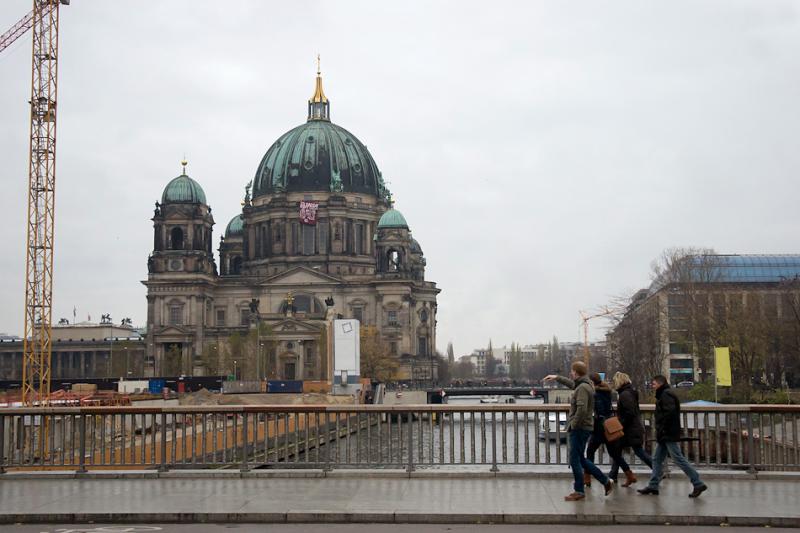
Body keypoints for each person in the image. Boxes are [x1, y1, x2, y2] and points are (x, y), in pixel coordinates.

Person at [544, 362, 613, 501]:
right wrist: (557, 377)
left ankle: (579, 490)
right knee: (581, 459)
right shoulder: (585, 384)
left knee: (575, 460)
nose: (571, 373)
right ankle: (605, 481)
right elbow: (572, 384)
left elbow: (581, 410)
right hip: (584, 427)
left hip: (580, 428)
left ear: (576, 372)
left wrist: (573, 425)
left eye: (572, 371)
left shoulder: (582, 388)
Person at [638, 375, 708, 498]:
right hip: (666, 433)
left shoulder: (665, 395)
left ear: (660, 383)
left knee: (677, 458)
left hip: (668, 433)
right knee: (656, 459)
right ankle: (653, 485)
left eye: (653, 384)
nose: (652, 386)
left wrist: (663, 428)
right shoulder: (665, 394)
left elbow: (669, 413)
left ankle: (697, 482)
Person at [608, 371, 653, 487]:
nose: (613, 384)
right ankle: (616, 476)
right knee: (618, 451)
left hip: (629, 429)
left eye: (614, 382)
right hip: (632, 428)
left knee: (634, 451)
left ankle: (657, 470)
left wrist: (620, 424)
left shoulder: (624, 395)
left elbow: (629, 412)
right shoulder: (630, 393)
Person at [583, 373, 612, 487]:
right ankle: (629, 474)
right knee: (614, 453)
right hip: (608, 425)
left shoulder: (596, 394)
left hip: (599, 427)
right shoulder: (607, 391)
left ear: (592, 382)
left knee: (590, 451)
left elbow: (599, 411)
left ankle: (587, 477)